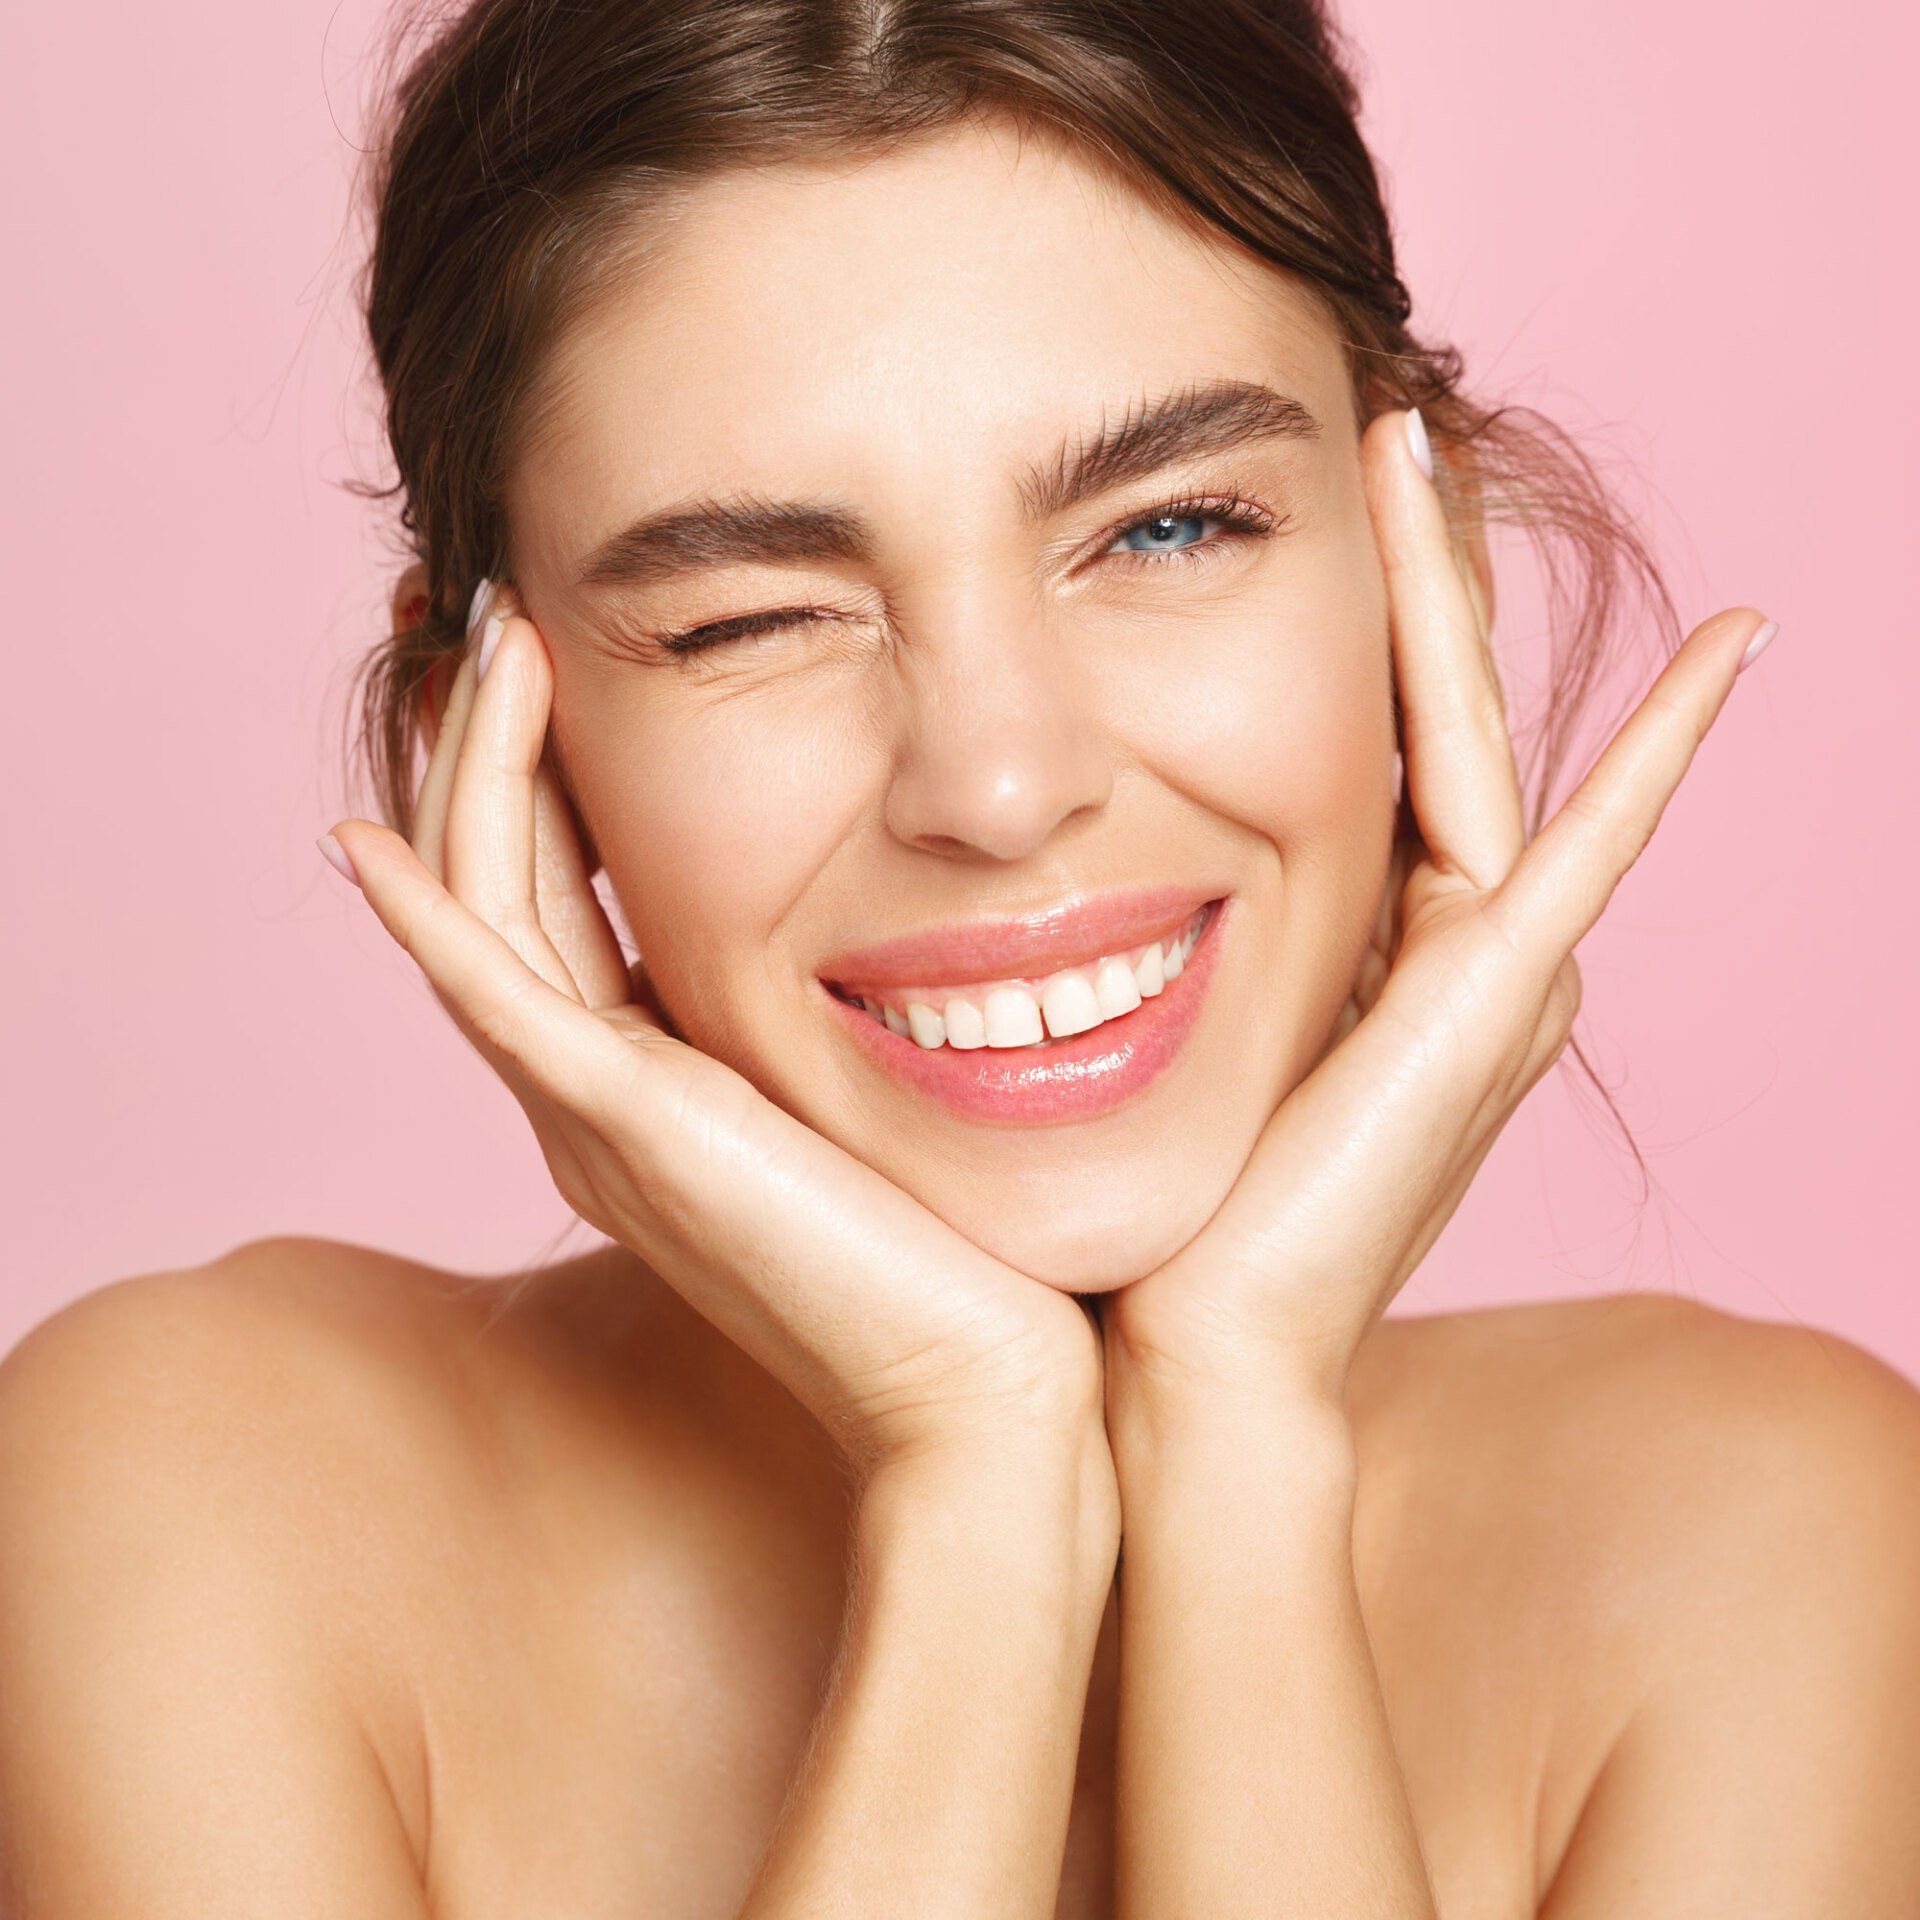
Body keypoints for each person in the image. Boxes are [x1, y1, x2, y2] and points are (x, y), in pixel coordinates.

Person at [3, 2, 1917, 1914]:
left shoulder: (1759, 1549)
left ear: (1435, 572)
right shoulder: (191, 1503)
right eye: (752, 619)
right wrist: (975, 1475)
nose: (999, 786)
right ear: (490, 749)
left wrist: (1238, 1443)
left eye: (1170, 527)